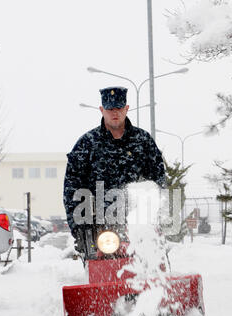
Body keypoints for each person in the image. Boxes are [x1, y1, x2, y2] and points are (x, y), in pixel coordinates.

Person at [63, 86, 166, 240]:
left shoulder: (143, 141)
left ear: (126, 108)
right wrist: (79, 226)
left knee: (152, 262)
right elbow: (72, 188)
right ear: (101, 110)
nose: (115, 113)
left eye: (118, 108)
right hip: (100, 228)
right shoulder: (87, 144)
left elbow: (158, 179)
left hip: (139, 226)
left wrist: (156, 214)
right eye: (110, 109)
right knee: (100, 264)